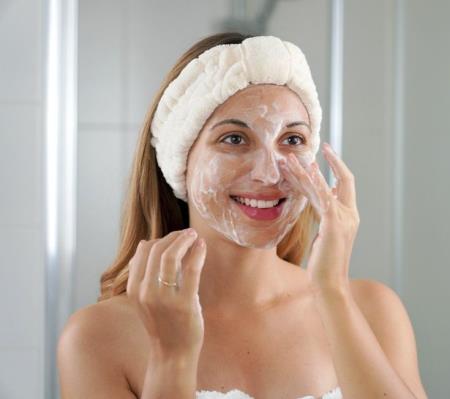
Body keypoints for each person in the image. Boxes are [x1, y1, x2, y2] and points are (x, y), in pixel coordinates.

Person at [57, 32, 428, 399]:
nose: (269, 173)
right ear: (179, 161)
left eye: (292, 140)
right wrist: (172, 360)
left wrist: (332, 294)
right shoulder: (98, 338)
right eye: (235, 139)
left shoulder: (373, 311)